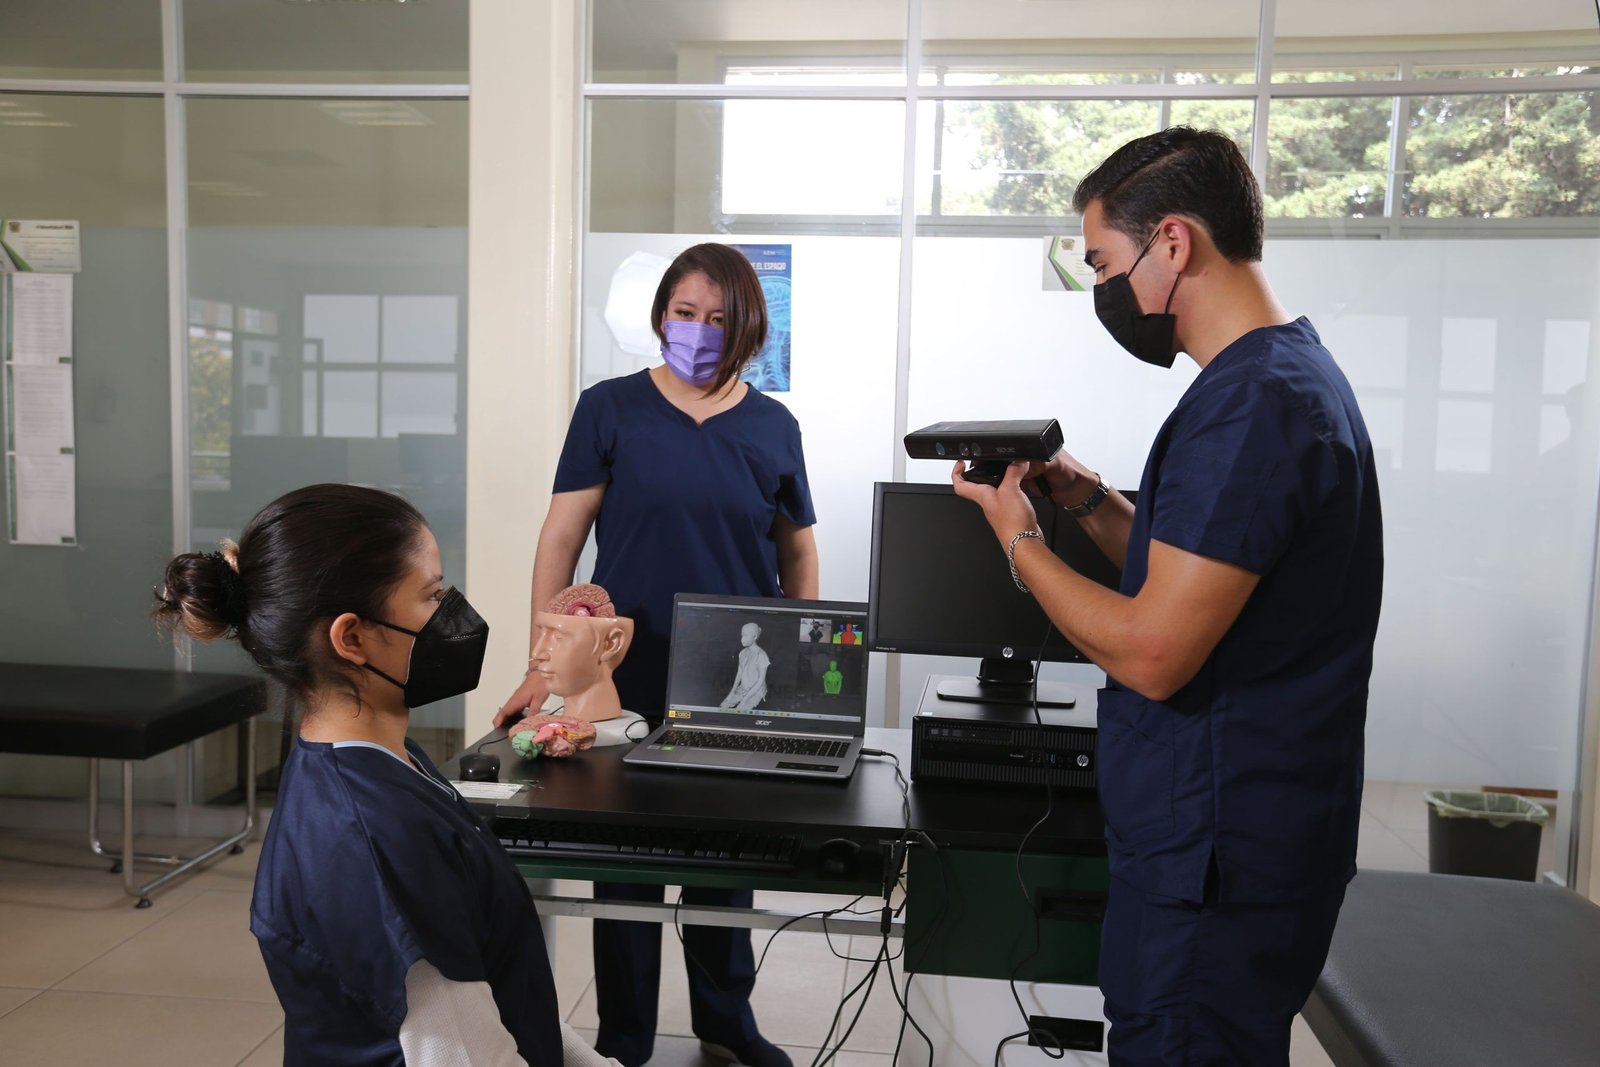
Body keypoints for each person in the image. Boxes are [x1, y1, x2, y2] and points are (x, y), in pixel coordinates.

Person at [951, 128, 1383, 1065]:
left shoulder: (1254, 406)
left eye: (1105, 265)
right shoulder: (1285, 378)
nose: (1104, 292)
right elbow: (1201, 570)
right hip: (1241, 845)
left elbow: (1153, 649)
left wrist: (1018, 535)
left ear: (1174, 243)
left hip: (1215, 860)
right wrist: (1086, 497)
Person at [153, 483, 617, 1067]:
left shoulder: (387, 762)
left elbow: (504, 998)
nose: (454, 613)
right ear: (352, 638)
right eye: (432, 595)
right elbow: (466, 1052)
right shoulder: (376, 835)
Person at [496, 243, 818, 1067]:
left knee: (725, 856)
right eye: (685, 312)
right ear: (660, 315)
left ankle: (725, 1019)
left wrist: (798, 661)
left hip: (735, 679)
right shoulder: (610, 408)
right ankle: (626, 1033)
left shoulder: (773, 427)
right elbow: (562, 536)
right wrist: (542, 664)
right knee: (625, 865)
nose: (699, 331)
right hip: (621, 670)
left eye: (718, 318)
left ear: (748, 329)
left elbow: (797, 551)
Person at [720, 622, 770, 709]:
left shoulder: (761, 655)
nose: (742, 639)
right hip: (743, 689)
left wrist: (744, 700)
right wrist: (731, 693)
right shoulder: (742, 653)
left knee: (739, 710)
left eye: (746, 636)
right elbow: (739, 673)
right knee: (722, 706)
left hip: (756, 692)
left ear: (755, 637)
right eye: (742, 635)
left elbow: (760, 681)